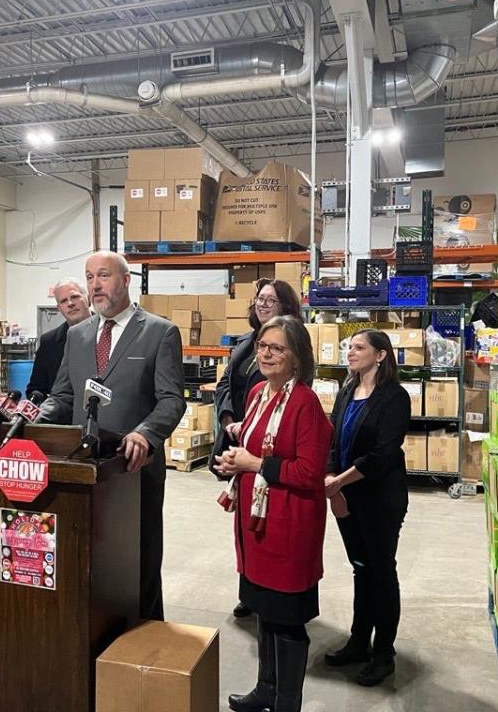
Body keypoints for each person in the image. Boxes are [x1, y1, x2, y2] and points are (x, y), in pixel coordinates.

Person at [38, 251, 185, 621]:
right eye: (89, 277)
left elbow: (171, 400)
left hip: (136, 471)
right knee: (94, 559)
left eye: (103, 276)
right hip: (86, 469)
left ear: (125, 280)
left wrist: (145, 433)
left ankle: (146, 641)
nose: (94, 285)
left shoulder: (159, 332)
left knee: (140, 558)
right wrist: (34, 420)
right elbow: (63, 395)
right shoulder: (77, 336)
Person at [214, 315, 332, 712]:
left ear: (297, 356)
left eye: (277, 347)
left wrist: (252, 464)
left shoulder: (305, 403)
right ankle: (266, 688)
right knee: (263, 610)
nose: (266, 353)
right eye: (263, 345)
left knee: (287, 620)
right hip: (257, 523)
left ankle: (286, 702)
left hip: (290, 523)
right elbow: (254, 449)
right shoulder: (259, 394)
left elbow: (309, 472)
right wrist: (235, 462)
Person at [323, 329, 411, 687]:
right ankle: (359, 641)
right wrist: (333, 484)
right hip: (347, 497)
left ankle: (383, 653)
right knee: (361, 569)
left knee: (380, 571)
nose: (350, 352)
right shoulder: (346, 392)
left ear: (380, 355)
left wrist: (339, 482)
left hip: (380, 500)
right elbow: (333, 438)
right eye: (348, 347)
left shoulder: (395, 398)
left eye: (358, 347)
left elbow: (382, 455)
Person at [213, 278, 301, 618]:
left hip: (267, 447)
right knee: (244, 525)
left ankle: (266, 593)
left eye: (271, 300)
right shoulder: (245, 342)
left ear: (285, 307)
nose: (263, 304)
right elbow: (225, 383)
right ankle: (248, 591)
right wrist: (228, 418)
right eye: (260, 299)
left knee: (265, 522)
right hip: (238, 436)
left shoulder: (291, 344)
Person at [26, 279, 91, 398]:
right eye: (63, 301)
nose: (70, 303)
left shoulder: (109, 333)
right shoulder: (49, 342)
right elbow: (36, 388)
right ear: (59, 308)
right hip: (63, 414)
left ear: (89, 299)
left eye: (75, 297)